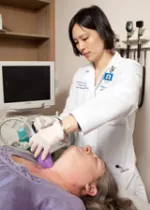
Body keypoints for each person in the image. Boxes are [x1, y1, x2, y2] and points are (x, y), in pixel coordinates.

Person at [29, 5, 148, 201]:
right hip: (87, 179)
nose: (80, 47)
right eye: (76, 42)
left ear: (102, 31)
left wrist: (61, 126)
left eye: (84, 38)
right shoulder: (81, 75)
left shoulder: (129, 69)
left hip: (118, 173)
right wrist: (52, 123)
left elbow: (122, 100)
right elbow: (70, 117)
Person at [0, 144, 140, 210]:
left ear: (90, 188)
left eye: (95, 159)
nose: (88, 148)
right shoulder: (29, 156)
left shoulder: (67, 204)